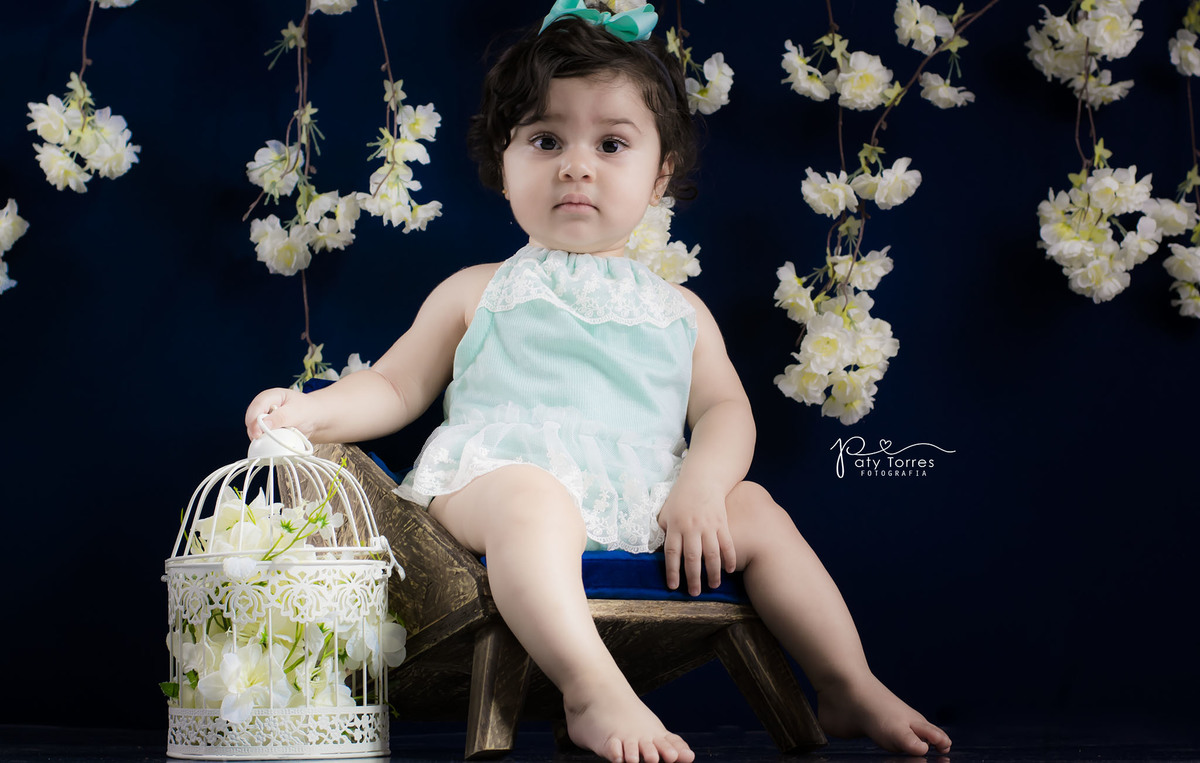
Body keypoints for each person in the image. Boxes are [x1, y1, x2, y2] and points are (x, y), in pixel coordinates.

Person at [246, 3, 952, 761]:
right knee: (535, 500)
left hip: (644, 499)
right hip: (494, 490)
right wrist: (310, 411)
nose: (575, 166)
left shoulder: (679, 310)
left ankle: (845, 682)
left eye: (612, 144)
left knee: (757, 510)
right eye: (545, 140)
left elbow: (725, 411)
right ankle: (592, 690)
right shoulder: (479, 290)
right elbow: (394, 387)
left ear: (659, 175)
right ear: (504, 163)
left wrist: (702, 486)